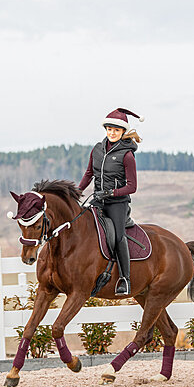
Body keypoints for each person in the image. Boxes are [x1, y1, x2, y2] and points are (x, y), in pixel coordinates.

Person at [78, 107, 144, 295]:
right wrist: (76, 192)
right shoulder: (97, 149)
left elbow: (132, 186)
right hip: (97, 200)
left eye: (116, 130)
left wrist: (110, 193)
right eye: (109, 129)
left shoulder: (128, 155)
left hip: (117, 203)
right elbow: (89, 174)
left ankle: (125, 278)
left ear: (123, 132)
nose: (112, 133)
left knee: (117, 236)